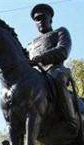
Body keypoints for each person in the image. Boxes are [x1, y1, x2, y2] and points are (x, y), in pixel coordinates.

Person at [26, 3, 78, 131]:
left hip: (55, 69)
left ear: (50, 19)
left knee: (58, 77)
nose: (40, 21)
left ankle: (70, 119)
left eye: (43, 17)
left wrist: (42, 58)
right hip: (37, 76)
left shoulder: (60, 32)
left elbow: (63, 50)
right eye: (37, 19)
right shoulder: (30, 45)